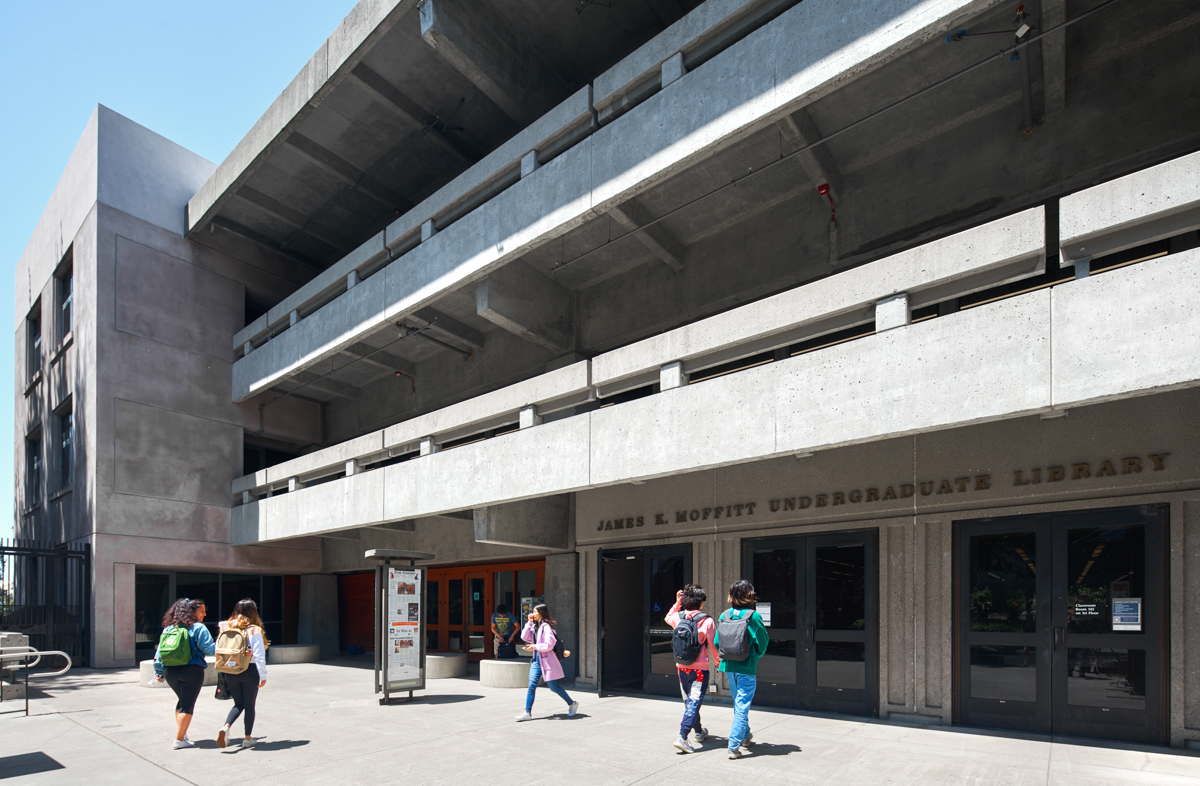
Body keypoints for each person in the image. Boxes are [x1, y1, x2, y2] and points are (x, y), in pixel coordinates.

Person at [715, 580, 770, 759]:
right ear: (749, 595)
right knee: (742, 705)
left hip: (729, 666)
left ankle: (745, 736)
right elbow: (763, 641)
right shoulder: (753, 616)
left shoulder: (724, 615)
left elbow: (717, 642)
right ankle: (733, 745)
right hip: (747, 666)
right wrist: (757, 656)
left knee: (738, 703)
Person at [153, 598, 216, 750]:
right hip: (191, 671)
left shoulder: (168, 628)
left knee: (182, 701)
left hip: (170, 671)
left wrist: (159, 672)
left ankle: (183, 734)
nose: (204, 614)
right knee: (187, 705)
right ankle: (179, 739)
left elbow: (159, 653)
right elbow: (210, 650)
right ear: (192, 611)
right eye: (201, 611)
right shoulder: (198, 628)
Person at [665, 584, 720, 753]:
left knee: (690, 701)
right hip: (699, 671)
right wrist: (718, 663)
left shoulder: (678, 617)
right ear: (701, 602)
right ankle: (682, 736)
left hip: (682, 668)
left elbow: (668, 617)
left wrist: (677, 603)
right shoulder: (707, 621)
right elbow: (713, 645)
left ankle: (698, 731)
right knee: (693, 702)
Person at [216, 599, 269, 749]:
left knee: (238, 704)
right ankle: (247, 738)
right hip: (249, 670)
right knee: (249, 705)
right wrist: (263, 675)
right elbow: (259, 655)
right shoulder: (254, 630)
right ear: (253, 612)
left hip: (230, 672)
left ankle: (226, 726)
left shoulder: (225, 627)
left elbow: (218, 649)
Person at [514, 603, 579, 721]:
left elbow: (549, 645)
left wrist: (534, 647)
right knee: (531, 686)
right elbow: (524, 637)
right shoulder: (535, 626)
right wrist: (528, 623)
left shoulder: (546, 627)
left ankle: (572, 704)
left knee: (553, 687)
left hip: (548, 661)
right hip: (536, 661)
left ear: (541, 613)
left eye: (534, 612)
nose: (532, 614)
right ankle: (527, 713)